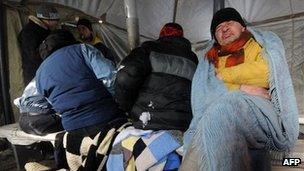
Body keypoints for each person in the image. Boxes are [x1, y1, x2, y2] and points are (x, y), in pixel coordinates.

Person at [180, 8, 299, 171]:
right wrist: (242, 87)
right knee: (215, 118)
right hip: (219, 113)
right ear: (215, 37)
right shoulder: (210, 60)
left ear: (243, 27)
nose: (224, 28)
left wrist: (224, 76)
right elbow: (205, 94)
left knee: (223, 109)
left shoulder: (258, 44)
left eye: (229, 23)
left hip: (260, 110)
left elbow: (268, 72)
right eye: (218, 28)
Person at [35, 29, 126, 136]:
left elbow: (49, 102)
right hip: (105, 117)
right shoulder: (82, 49)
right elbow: (110, 77)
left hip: (72, 127)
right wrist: (121, 102)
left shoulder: (39, 72)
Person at [115, 22, 198, 131]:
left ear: (162, 34)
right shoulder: (193, 59)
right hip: (182, 125)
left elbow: (125, 76)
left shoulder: (149, 49)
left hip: (147, 120)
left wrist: (126, 107)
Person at [18, 4, 60, 85]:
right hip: (35, 75)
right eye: (55, 21)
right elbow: (34, 55)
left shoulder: (45, 31)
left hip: (45, 72)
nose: (56, 24)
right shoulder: (29, 31)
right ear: (47, 20)